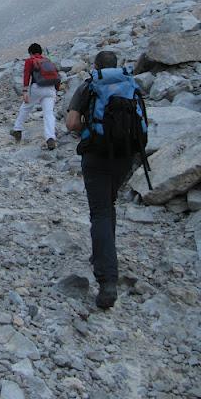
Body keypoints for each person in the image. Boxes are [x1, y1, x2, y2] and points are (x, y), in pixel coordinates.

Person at [66, 50, 144, 309]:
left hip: (97, 155)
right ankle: (103, 255)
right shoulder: (130, 85)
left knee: (99, 212)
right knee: (108, 206)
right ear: (117, 65)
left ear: (96, 66)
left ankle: (107, 280)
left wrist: (91, 127)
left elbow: (72, 123)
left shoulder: (89, 86)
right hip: (125, 156)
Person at [11, 43, 59, 150]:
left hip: (37, 87)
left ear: (31, 52)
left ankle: (17, 130)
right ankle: (50, 138)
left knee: (25, 108)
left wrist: (25, 91)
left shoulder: (30, 60)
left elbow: (27, 75)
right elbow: (56, 74)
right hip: (50, 89)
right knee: (49, 114)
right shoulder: (48, 60)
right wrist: (56, 89)